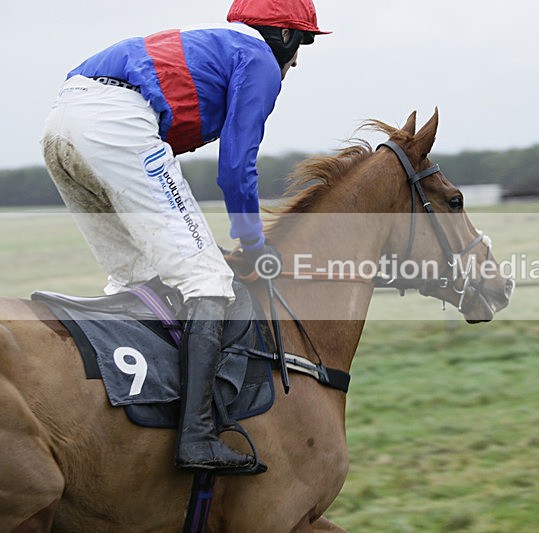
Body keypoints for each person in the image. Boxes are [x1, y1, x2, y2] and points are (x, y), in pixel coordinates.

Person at [41, 0, 328, 475]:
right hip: (117, 126)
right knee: (208, 282)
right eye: (304, 43)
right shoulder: (258, 61)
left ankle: (134, 415)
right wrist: (253, 245)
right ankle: (197, 437)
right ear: (284, 36)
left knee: (140, 279)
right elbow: (236, 168)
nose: (297, 60)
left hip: (61, 124)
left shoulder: (215, 42)